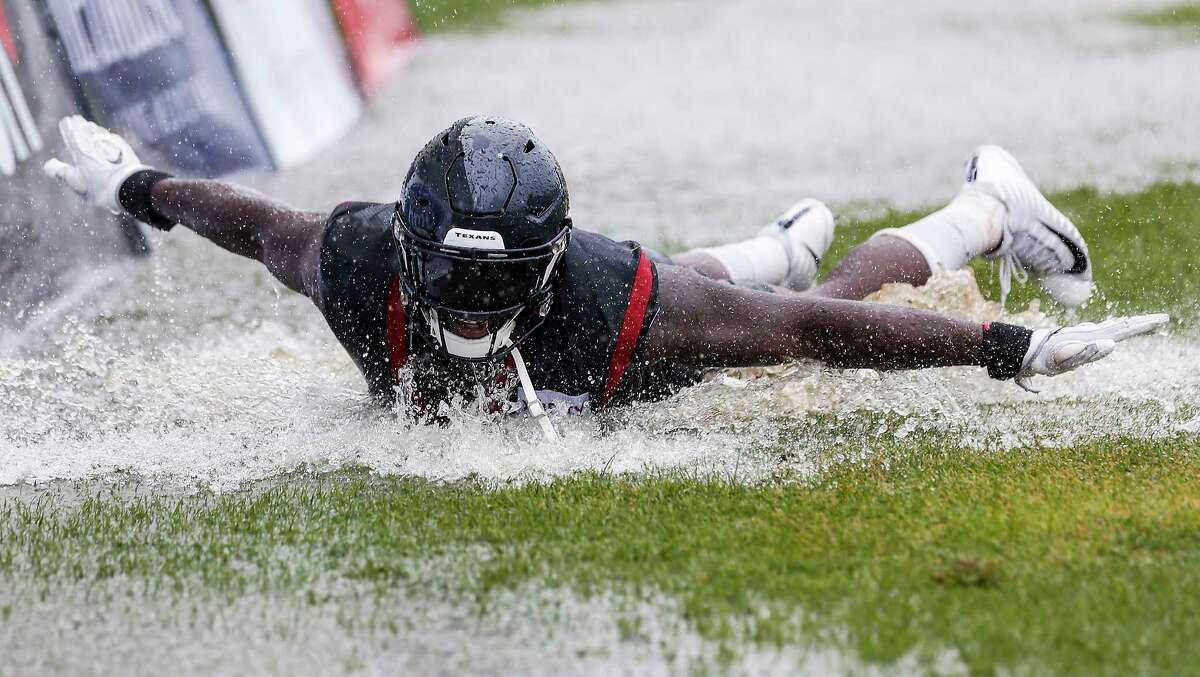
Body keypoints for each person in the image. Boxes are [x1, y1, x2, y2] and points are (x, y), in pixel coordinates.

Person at [44, 115, 1166, 438]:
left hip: (639, 362)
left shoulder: (614, 297)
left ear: (547, 265)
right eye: (457, 285)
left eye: (501, 290)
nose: (475, 313)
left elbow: (807, 332)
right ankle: (777, 239)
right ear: (409, 252)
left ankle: (984, 207)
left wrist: (1003, 350)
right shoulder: (350, 257)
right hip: (656, 296)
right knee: (752, 296)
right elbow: (239, 218)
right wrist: (131, 186)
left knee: (803, 318)